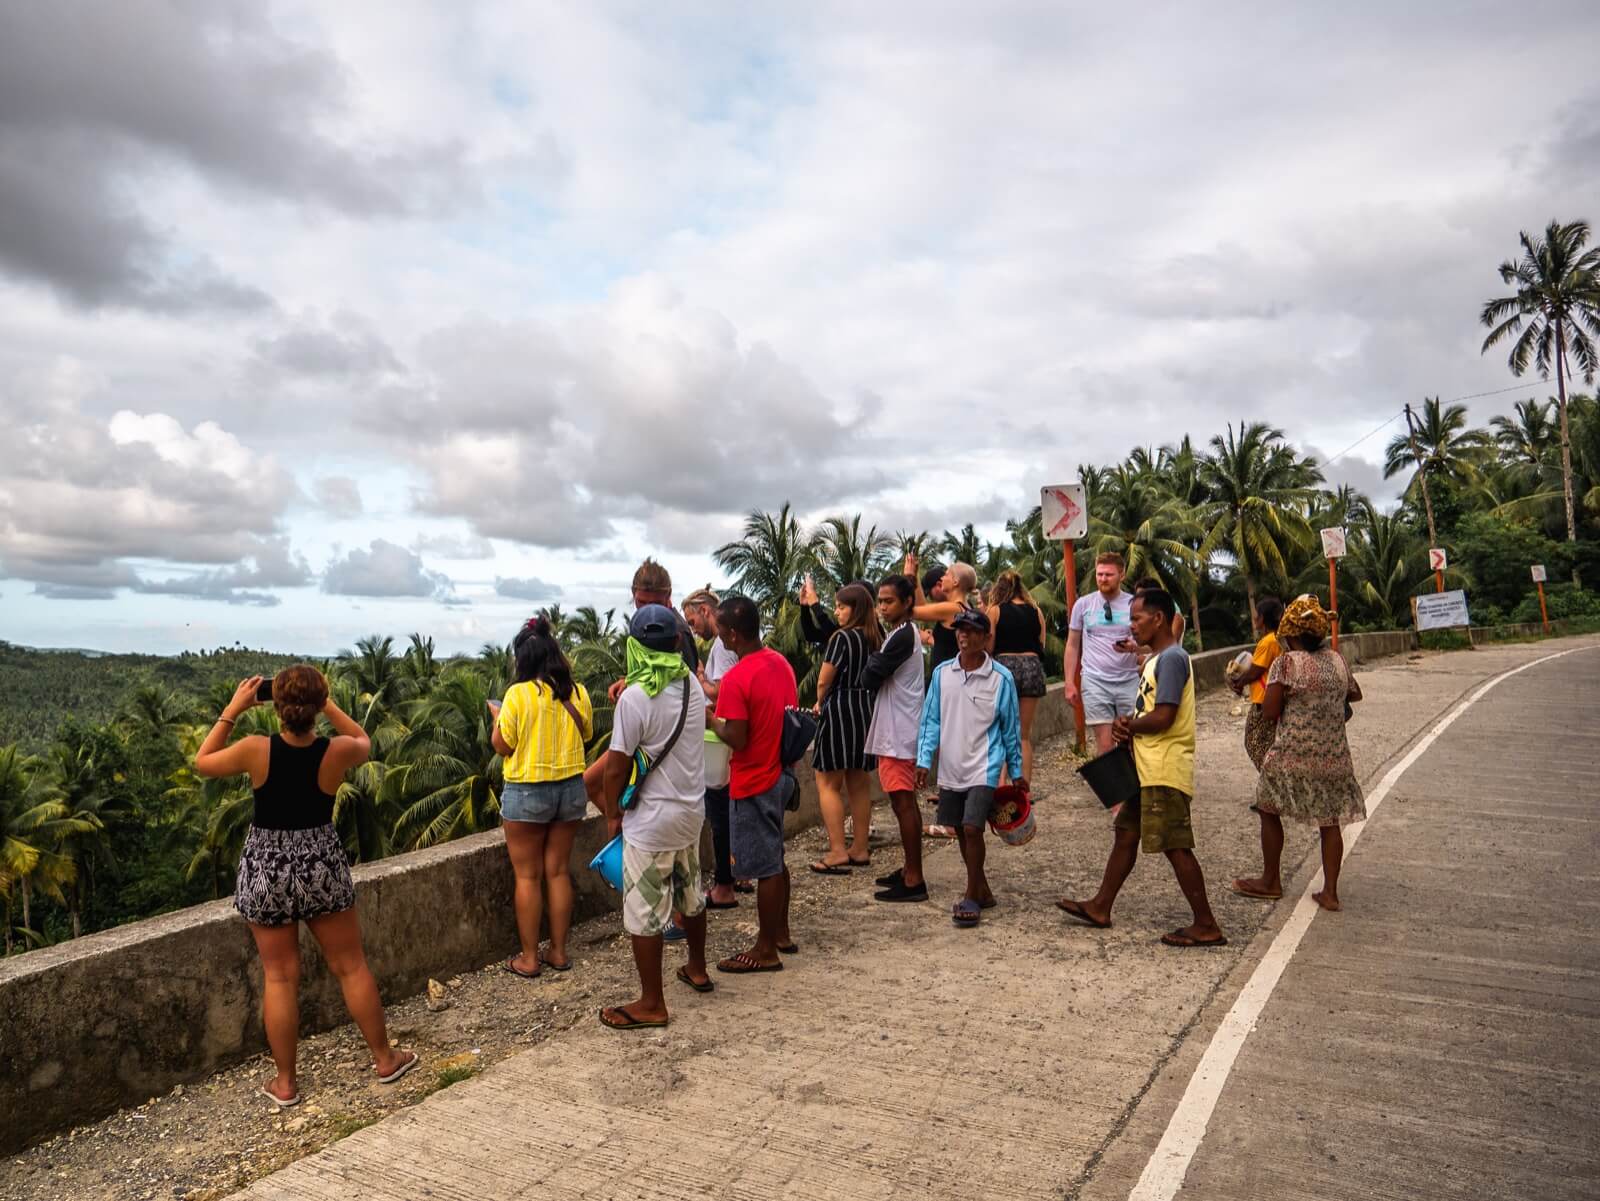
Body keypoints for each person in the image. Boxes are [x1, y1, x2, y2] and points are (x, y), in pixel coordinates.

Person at [195, 667, 418, 1107]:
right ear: (316, 707)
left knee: (279, 977)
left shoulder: (256, 750)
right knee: (351, 966)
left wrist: (234, 709)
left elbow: (203, 761)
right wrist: (328, 703)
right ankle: (384, 1058)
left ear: (275, 706)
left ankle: (285, 1083)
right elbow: (365, 741)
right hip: (321, 864)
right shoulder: (334, 752)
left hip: (268, 868)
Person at [1056, 590, 1227, 948]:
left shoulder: (1172, 658)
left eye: (1137, 619)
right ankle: (1101, 905)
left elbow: (1165, 715)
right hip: (1146, 768)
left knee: (1175, 845)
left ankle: (1206, 923)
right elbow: (1153, 709)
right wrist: (1129, 725)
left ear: (1159, 619)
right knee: (1126, 833)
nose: (1131, 625)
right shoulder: (1154, 660)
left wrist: (1131, 726)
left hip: (1164, 768)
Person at [597, 606, 712, 1029]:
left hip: (650, 821)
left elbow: (615, 767)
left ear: (634, 647)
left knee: (644, 912)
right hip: (690, 812)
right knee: (691, 892)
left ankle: (651, 1002)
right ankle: (697, 968)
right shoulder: (691, 690)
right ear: (678, 644)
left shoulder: (634, 698)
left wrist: (613, 814)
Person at [1233, 595, 1366, 911]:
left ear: (1291, 635)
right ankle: (1330, 892)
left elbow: (1270, 711)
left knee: (1268, 807)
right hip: (1334, 757)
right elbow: (1355, 693)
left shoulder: (1287, 663)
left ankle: (1270, 881)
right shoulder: (1336, 660)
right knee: (1329, 821)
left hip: (1291, 756)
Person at [489, 616, 593, 978]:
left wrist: (496, 719)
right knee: (558, 872)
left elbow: (503, 745)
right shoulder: (576, 692)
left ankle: (530, 959)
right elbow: (589, 732)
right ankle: (559, 953)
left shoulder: (517, 695)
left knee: (528, 877)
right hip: (570, 789)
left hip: (527, 791)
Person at [915, 608, 1024, 927]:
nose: (963, 635)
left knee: (974, 827)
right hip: (951, 764)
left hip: (985, 764)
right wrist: (924, 759)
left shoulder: (1001, 678)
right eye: (959, 630)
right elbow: (931, 719)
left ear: (986, 637)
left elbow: (1011, 727)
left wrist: (1016, 770)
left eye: (971, 631)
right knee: (961, 828)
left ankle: (971, 895)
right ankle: (983, 888)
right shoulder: (942, 674)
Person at [710, 595, 799, 973]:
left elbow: (737, 737)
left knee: (764, 866)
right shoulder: (781, 664)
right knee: (775, 857)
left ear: (732, 634)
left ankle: (765, 949)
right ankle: (780, 932)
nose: (719, 637)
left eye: (720, 631)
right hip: (782, 773)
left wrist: (710, 720)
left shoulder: (735, 678)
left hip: (753, 778)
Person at [862, 573, 928, 902]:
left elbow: (870, 675)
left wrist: (873, 661)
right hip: (898, 728)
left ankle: (914, 877)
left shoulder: (902, 636)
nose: (883, 607)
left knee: (903, 803)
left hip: (900, 732)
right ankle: (908, 870)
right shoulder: (900, 634)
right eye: (880, 602)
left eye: (889, 601)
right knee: (902, 803)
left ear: (906, 603)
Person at [809, 583, 882, 874]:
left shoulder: (842, 638)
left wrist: (819, 701)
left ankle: (838, 850)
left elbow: (825, 679)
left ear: (855, 608)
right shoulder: (876, 637)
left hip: (840, 706)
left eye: (841, 607)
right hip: (866, 708)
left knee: (827, 782)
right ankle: (860, 848)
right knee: (859, 781)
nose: (837, 612)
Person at [682, 588, 740, 908]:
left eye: (693, 620)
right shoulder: (722, 645)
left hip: (721, 736)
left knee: (719, 813)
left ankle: (724, 885)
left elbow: (726, 692)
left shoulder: (723, 645)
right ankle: (736, 873)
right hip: (724, 735)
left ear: (705, 610)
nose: (693, 629)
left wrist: (702, 683)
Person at [1065, 552, 1141, 759]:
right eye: (1099, 575)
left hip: (1129, 679)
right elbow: (1072, 645)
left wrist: (1134, 647)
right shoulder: (1083, 605)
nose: (1103, 579)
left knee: (1129, 739)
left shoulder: (1133, 604)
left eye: (1109, 575)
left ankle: (1134, 786)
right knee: (1105, 745)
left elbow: (1148, 642)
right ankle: (1111, 789)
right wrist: (1070, 682)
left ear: (1122, 575)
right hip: (1095, 679)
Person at [986, 569, 1047, 788]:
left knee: (1003, 730)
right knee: (1023, 735)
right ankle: (1024, 790)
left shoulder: (995, 611)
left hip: (1005, 667)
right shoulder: (1036, 611)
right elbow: (1042, 645)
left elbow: (989, 647)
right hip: (1032, 667)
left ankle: (1001, 785)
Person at [1229, 596, 1285, 771]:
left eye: (1256, 615)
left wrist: (1237, 682)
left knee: (1255, 743)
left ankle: (1272, 782)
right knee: (1269, 743)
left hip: (1263, 701)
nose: (1254, 619)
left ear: (1262, 618)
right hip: (1274, 698)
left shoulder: (1267, 642)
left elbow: (1255, 671)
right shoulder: (1278, 639)